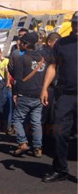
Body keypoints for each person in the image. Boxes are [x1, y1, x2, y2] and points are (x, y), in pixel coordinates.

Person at [40, 12, 77, 183]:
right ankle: (60, 168)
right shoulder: (61, 43)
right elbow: (52, 66)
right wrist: (44, 88)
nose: (77, 27)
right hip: (66, 95)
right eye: (76, 24)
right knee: (59, 132)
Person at [10, 32, 45, 158]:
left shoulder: (22, 58)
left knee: (17, 119)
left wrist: (15, 93)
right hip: (39, 93)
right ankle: (37, 148)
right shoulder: (42, 58)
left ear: (26, 44)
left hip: (25, 93)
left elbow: (17, 79)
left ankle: (22, 142)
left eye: (21, 42)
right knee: (36, 122)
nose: (19, 44)